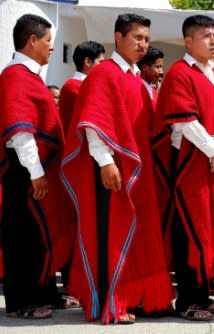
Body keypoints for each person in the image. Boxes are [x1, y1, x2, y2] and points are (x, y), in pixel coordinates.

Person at [60, 13, 174, 324]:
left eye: (147, 39)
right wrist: (106, 162)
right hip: (113, 172)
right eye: (137, 37)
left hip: (138, 173)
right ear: (118, 37)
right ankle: (113, 300)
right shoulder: (104, 74)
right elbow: (94, 122)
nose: (143, 44)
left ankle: (135, 297)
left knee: (137, 235)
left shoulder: (136, 80)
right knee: (113, 235)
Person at [152, 14, 214, 322]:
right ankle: (188, 300)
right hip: (191, 167)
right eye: (206, 35)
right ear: (188, 41)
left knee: (213, 230)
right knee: (190, 231)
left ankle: (203, 295)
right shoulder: (179, 73)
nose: (213, 40)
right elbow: (183, 121)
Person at [0, 13, 74, 320]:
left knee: (41, 234)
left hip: (37, 169)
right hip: (24, 169)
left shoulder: (30, 76)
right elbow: (20, 130)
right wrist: (37, 172)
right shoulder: (15, 76)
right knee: (23, 235)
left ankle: (44, 291)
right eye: (48, 42)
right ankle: (21, 301)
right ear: (32, 40)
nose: (52, 49)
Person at [59, 40, 105, 134]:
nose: (103, 67)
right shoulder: (73, 86)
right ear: (88, 62)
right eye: (100, 62)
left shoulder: (87, 85)